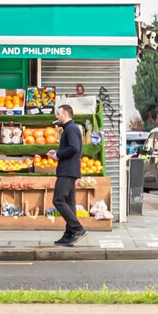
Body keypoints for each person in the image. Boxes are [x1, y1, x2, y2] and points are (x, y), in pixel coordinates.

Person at [52, 102, 87, 246]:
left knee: (58, 200)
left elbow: (74, 147)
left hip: (67, 171)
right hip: (70, 170)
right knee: (69, 204)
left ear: (65, 114)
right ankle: (69, 233)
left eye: (58, 113)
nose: (56, 116)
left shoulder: (71, 129)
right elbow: (73, 148)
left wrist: (58, 155)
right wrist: (57, 153)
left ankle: (77, 228)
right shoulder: (70, 128)